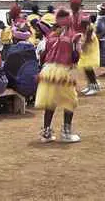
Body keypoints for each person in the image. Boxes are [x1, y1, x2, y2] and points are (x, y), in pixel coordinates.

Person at [35, 8, 81, 143]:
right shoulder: (74, 36)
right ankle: (66, 133)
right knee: (70, 101)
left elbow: (43, 55)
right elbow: (75, 57)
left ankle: (46, 133)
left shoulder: (50, 36)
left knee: (50, 102)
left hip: (48, 70)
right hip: (63, 70)